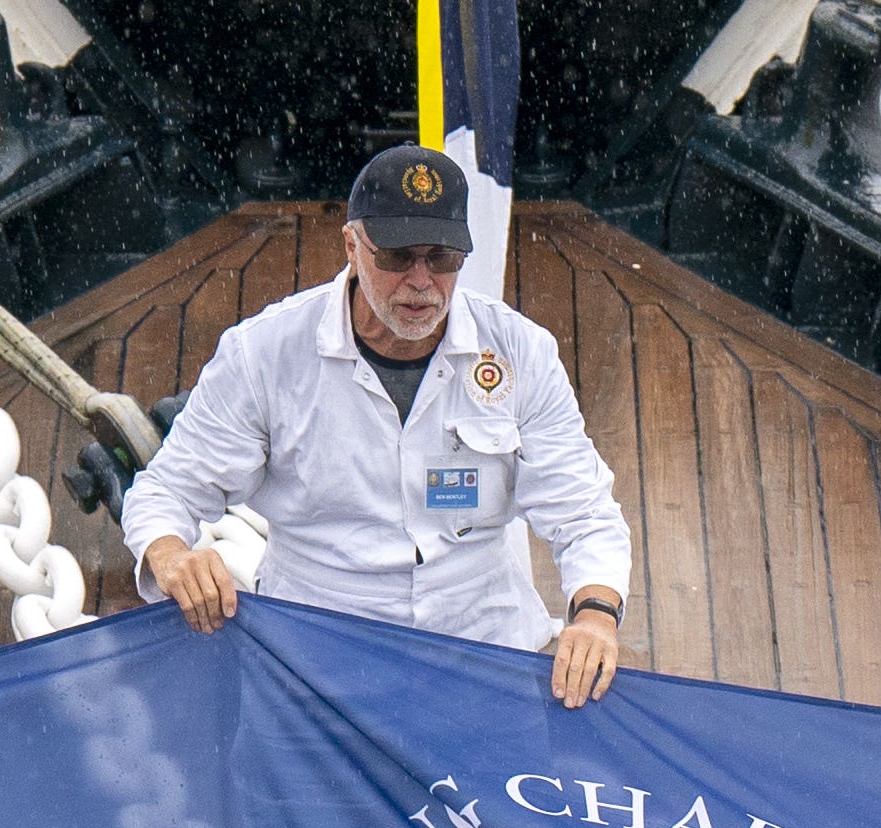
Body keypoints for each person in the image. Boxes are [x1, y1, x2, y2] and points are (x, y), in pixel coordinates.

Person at [122, 144, 633, 707]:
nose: (421, 281)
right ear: (351, 246)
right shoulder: (263, 354)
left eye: (441, 257)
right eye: (396, 256)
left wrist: (595, 616)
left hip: (485, 653)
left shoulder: (522, 353)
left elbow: (583, 512)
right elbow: (165, 491)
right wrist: (172, 557)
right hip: (312, 664)